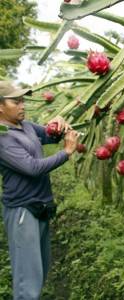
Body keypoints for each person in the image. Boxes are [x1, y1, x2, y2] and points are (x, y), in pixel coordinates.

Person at [0, 81, 79, 299]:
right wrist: (66, 152)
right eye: (16, 101)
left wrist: (58, 123)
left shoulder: (24, 126)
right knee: (28, 283)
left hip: (40, 206)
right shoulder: (2, 137)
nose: (22, 105)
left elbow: (47, 135)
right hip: (22, 211)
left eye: (23, 100)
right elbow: (32, 168)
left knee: (40, 271)